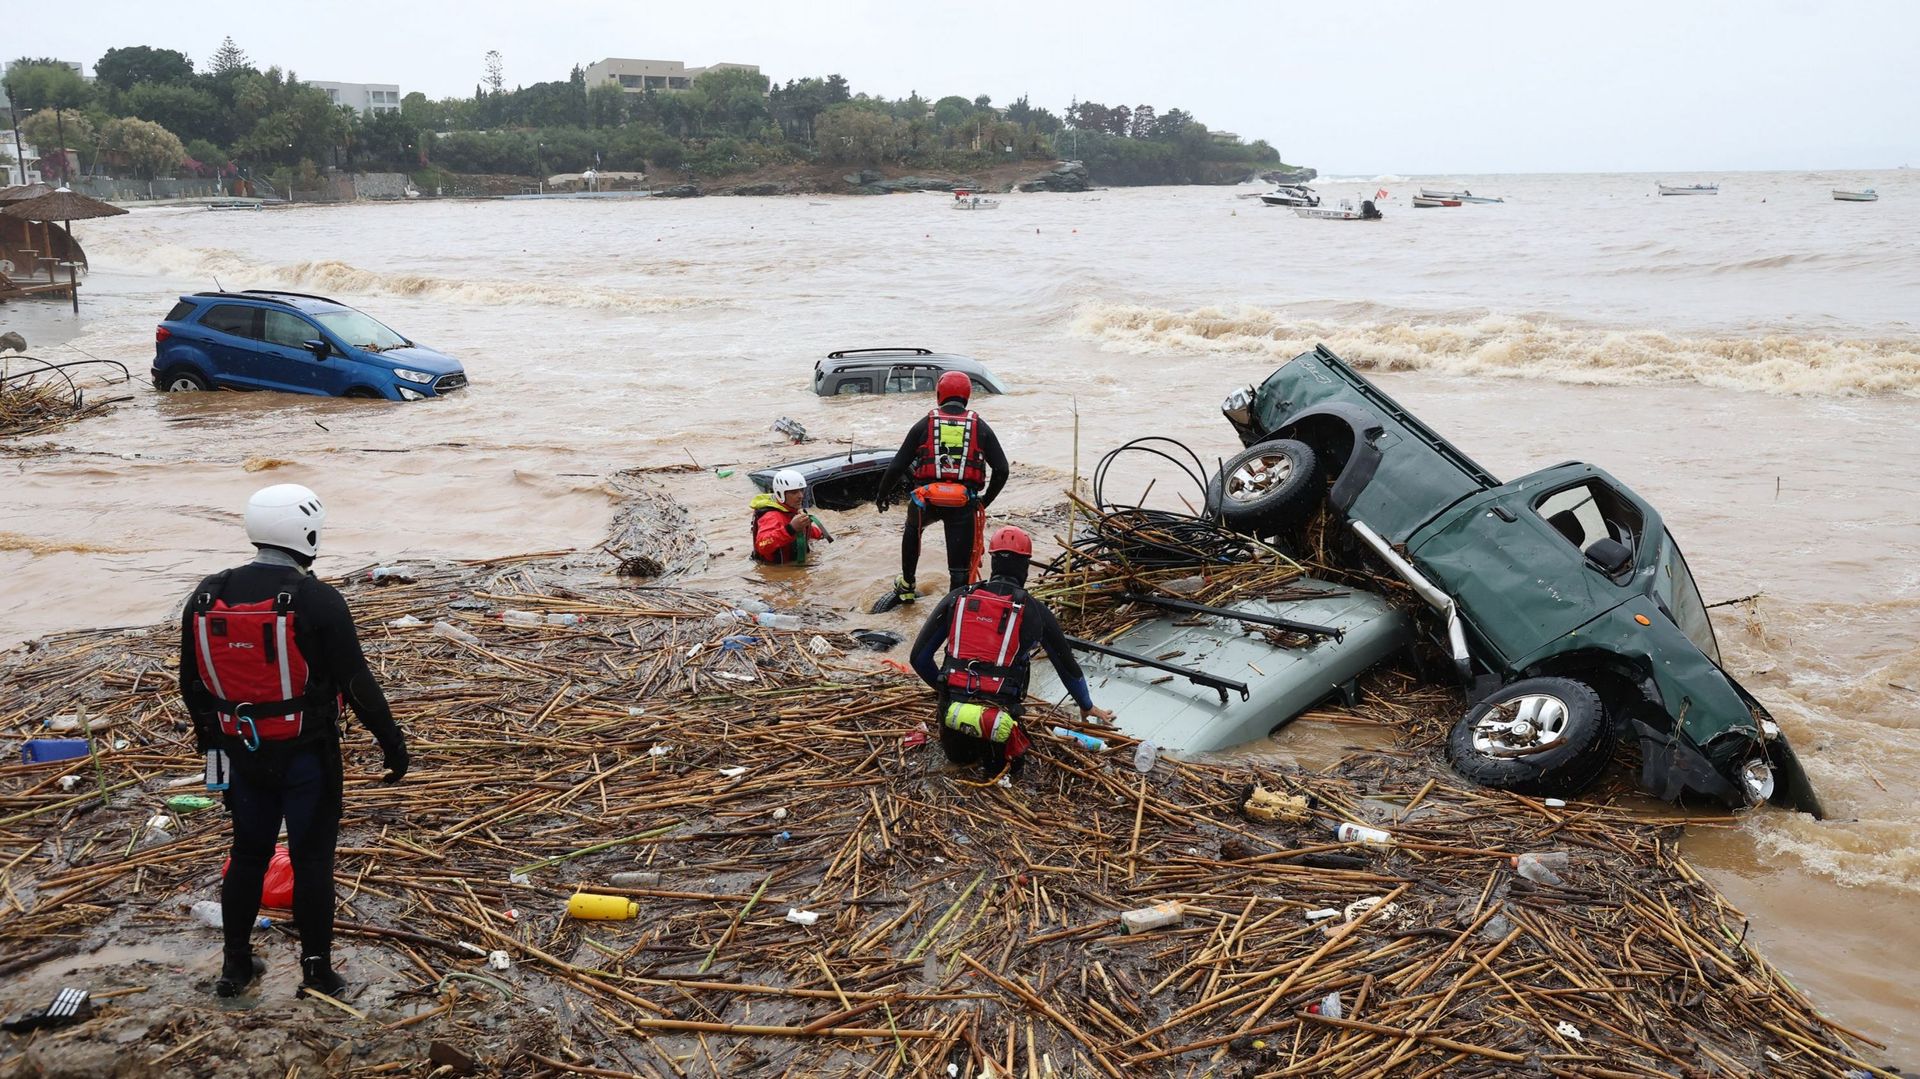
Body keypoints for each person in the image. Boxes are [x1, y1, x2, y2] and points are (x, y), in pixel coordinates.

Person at [179, 484, 408, 999]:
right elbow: (358, 685)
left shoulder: (206, 593)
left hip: (240, 753)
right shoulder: (317, 599)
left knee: (247, 855)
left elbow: (190, 683)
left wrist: (212, 748)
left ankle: (235, 966)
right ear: (307, 534)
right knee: (310, 863)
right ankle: (317, 971)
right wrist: (392, 744)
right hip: (307, 757)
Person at [909, 526, 1113, 778]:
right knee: (1009, 771)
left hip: (954, 727)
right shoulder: (1034, 610)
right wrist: (1086, 705)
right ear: (1025, 566)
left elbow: (918, 658)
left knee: (960, 758)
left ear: (992, 561)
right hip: (998, 728)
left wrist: (946, 689)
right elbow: (1066, 666)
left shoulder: (959, 597)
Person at [871, 370, 1009, 612]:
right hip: (962, 505)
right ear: (967, 396)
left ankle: (907, 585)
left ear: (939, 394)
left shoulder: (925, 424)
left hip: (926, 502)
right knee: (959, 571)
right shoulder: (980, 427)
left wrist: (882, 496)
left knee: (913, 529)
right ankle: (954, 608)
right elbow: (1002, 469)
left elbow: (897, 465)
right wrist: (985, 501)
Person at [751, 469, 830, 565]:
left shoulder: (791, 509)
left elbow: (807, 531)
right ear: (780, 494)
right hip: (777, 573)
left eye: (801, 490)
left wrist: (822, 535)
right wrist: (790, 529)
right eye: (794, 492)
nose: (800, 496)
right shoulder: (771, 517)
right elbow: (762, 545)